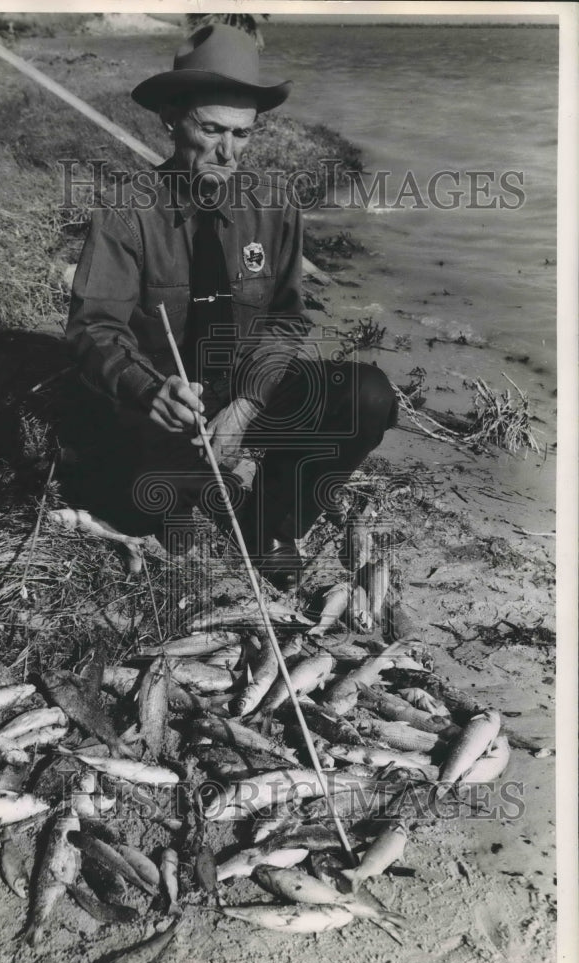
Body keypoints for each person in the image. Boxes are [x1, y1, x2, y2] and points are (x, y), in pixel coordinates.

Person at [62, 24, 396, 587]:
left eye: (242, 134)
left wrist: (244, 406)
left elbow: (286, 321)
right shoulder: (125, 215)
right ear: (171, 118)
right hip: (163, 405)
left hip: (244, 392)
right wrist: (150, 391)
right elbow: (92, 329)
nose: (226, 152)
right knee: (154, 515)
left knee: (368, 396)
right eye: (210, 129)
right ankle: (178, 493)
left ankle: (270, 519)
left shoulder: (275, 207)